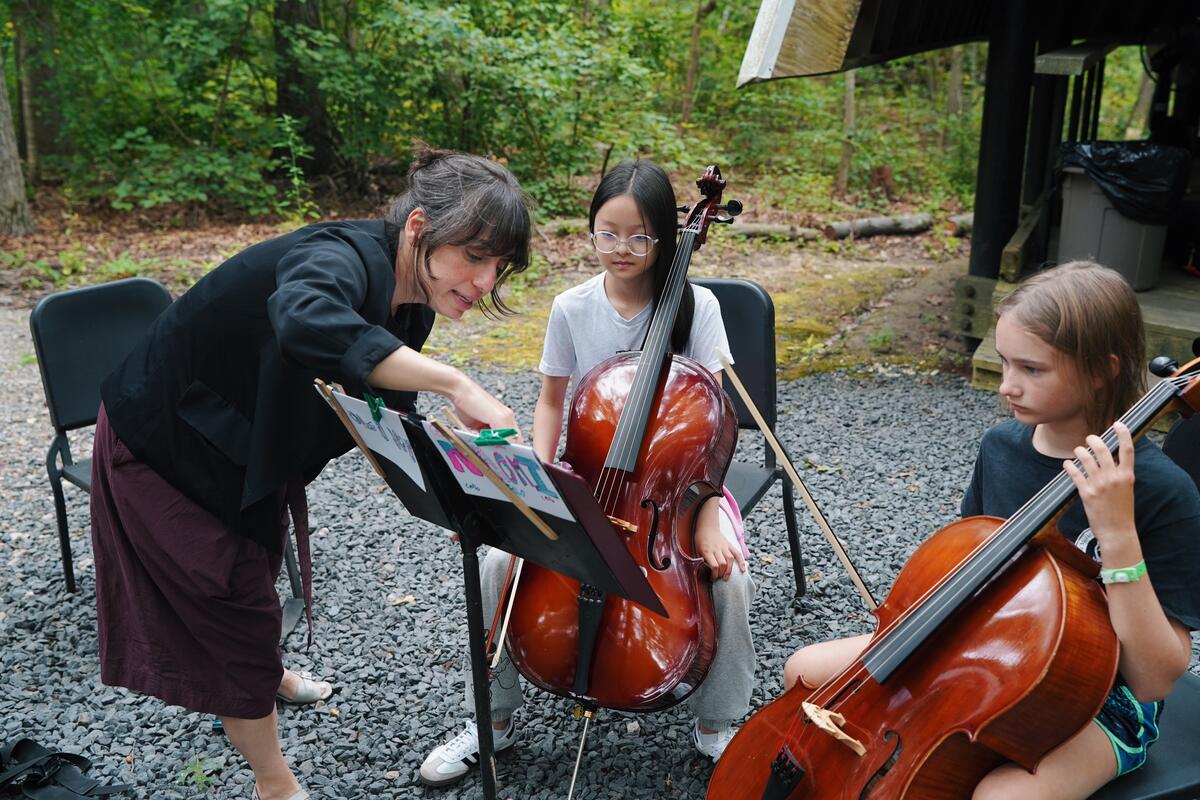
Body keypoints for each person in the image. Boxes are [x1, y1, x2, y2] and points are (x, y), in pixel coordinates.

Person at [90, 148, 532, 800]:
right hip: (168, 441)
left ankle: (260, 677)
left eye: (499, 266)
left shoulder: (414, 305)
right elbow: (304, 317)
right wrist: (456, 382)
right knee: (232, 601)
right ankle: (275, 782)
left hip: (242, 441)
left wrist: (456, 489)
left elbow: (382, 415)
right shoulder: (339, 258)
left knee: (254, 572)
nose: (486, 280)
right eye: (474, 255)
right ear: (417, 229)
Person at [781, 262, 1200, 799]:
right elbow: (965, 562)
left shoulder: (1162, 490)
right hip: (981, 649)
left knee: (999, 796)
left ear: (1102, 370)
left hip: (1102, 698)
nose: (1007, 386)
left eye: (1031, 369)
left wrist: (1117, 532)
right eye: (1004, 363)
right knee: (804, 674)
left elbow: (1155, 678)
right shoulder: (1001, 447)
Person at [419, 159, 756, 788]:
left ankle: (721, 722)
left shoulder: (697, 305)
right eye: (607, 232)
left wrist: (710, 509)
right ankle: (491, 720)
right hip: (583, 479)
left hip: (681, 491)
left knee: (730, 575)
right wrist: (542, 480)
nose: (621, 249)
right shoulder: (572, 307)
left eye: (638, 236)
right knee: (499, 563)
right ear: (590, 230)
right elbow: (552, 402)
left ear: (662, 238)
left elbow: (717, 424)